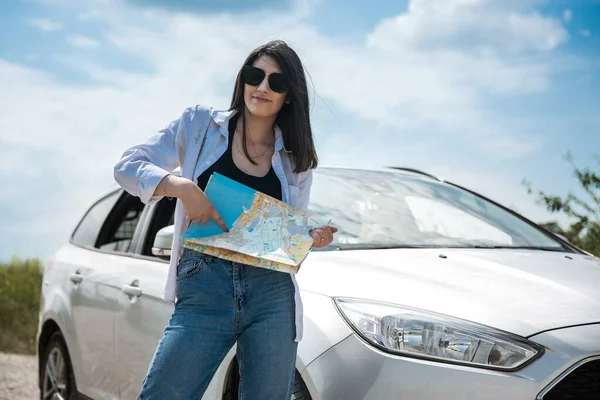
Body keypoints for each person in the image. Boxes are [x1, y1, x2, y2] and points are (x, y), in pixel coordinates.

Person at [113, 40, 337, 399]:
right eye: (255, 76)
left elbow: (284, 243)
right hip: (204, 286)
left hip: (271, 295)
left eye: (276, 83)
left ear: (289, 96)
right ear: (242, 79)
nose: (262, 87)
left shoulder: (297, 161)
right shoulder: (199, 125)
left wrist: (310, 238)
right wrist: (182, 187)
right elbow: (127, 167)